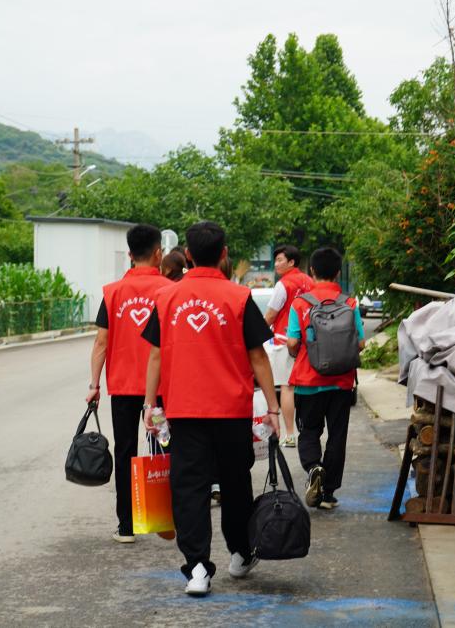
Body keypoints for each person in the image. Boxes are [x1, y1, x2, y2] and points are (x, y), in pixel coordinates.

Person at [141, 221, 281, 597]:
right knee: (235, 484)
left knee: (190, 487)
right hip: (231, 410)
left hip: (184, 410)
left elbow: (155, 355)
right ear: (223, 253)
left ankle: (198, 568)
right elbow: (258, 357)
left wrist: (150, 404)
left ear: (188, 254)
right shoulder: (238, 297)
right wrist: (273, 407)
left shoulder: (167, 297)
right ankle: (240, 553)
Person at [86, 223, 172, 544]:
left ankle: (126, 526)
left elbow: (101, 342)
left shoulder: (113, 293)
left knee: (125, 451)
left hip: (122, 389)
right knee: (164, 446)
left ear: (130, 255)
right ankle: (164, 515)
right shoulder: (169, 290)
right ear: (158, 253)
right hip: (159, 391)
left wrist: (94, 385)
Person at [286, 247, 366, 510]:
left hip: (308, 381)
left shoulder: (301, 303)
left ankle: (313, 467)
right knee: (337, 435)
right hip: (341, 382)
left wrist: (298, 351)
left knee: (309, 430)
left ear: (312, 271)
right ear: (337, 272)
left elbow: (293, 342)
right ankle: (328, 493)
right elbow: (361, 343)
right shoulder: (349, 303)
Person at [262, 245, 314, 448]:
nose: (276, 264)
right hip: (308, 341)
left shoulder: (283, 284)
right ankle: (308, 431)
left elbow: (271, 315)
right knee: (306, 387)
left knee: (287, 387)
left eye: (280, 260)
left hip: (285, 341)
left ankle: (290, 435)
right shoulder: (309, 281)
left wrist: (256, 332)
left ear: (291, 262)